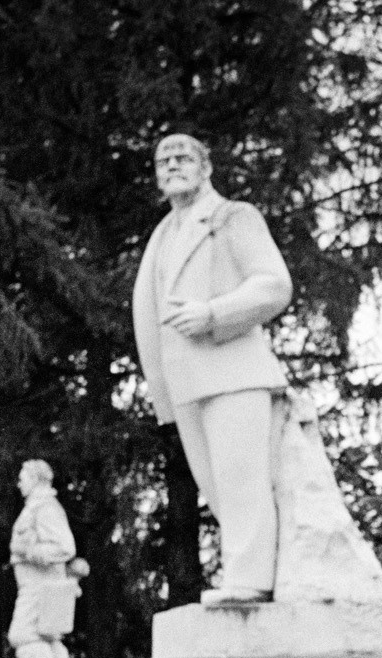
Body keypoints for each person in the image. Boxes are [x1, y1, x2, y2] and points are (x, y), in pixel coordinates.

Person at [130, 131, 292, 605]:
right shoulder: (163, 233)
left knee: (242, 482)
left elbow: (274, 285)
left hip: (234, 372)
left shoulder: (231, 217)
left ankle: (251, 581)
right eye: (163, 160)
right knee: (217, 488)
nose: (172, 165)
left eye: (183, 157)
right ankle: (257, 573)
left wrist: (215, 314)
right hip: (186, 381)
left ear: (206, 168)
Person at [6, 460, 88, 658]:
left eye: (23, 478)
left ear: (36, 479)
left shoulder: (45, 507)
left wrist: (26, 551)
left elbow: (65, 547)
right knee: (48, 637)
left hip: (39, 586)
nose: (19, 483)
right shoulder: (37, 507)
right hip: (36, 585)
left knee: (23, 634)